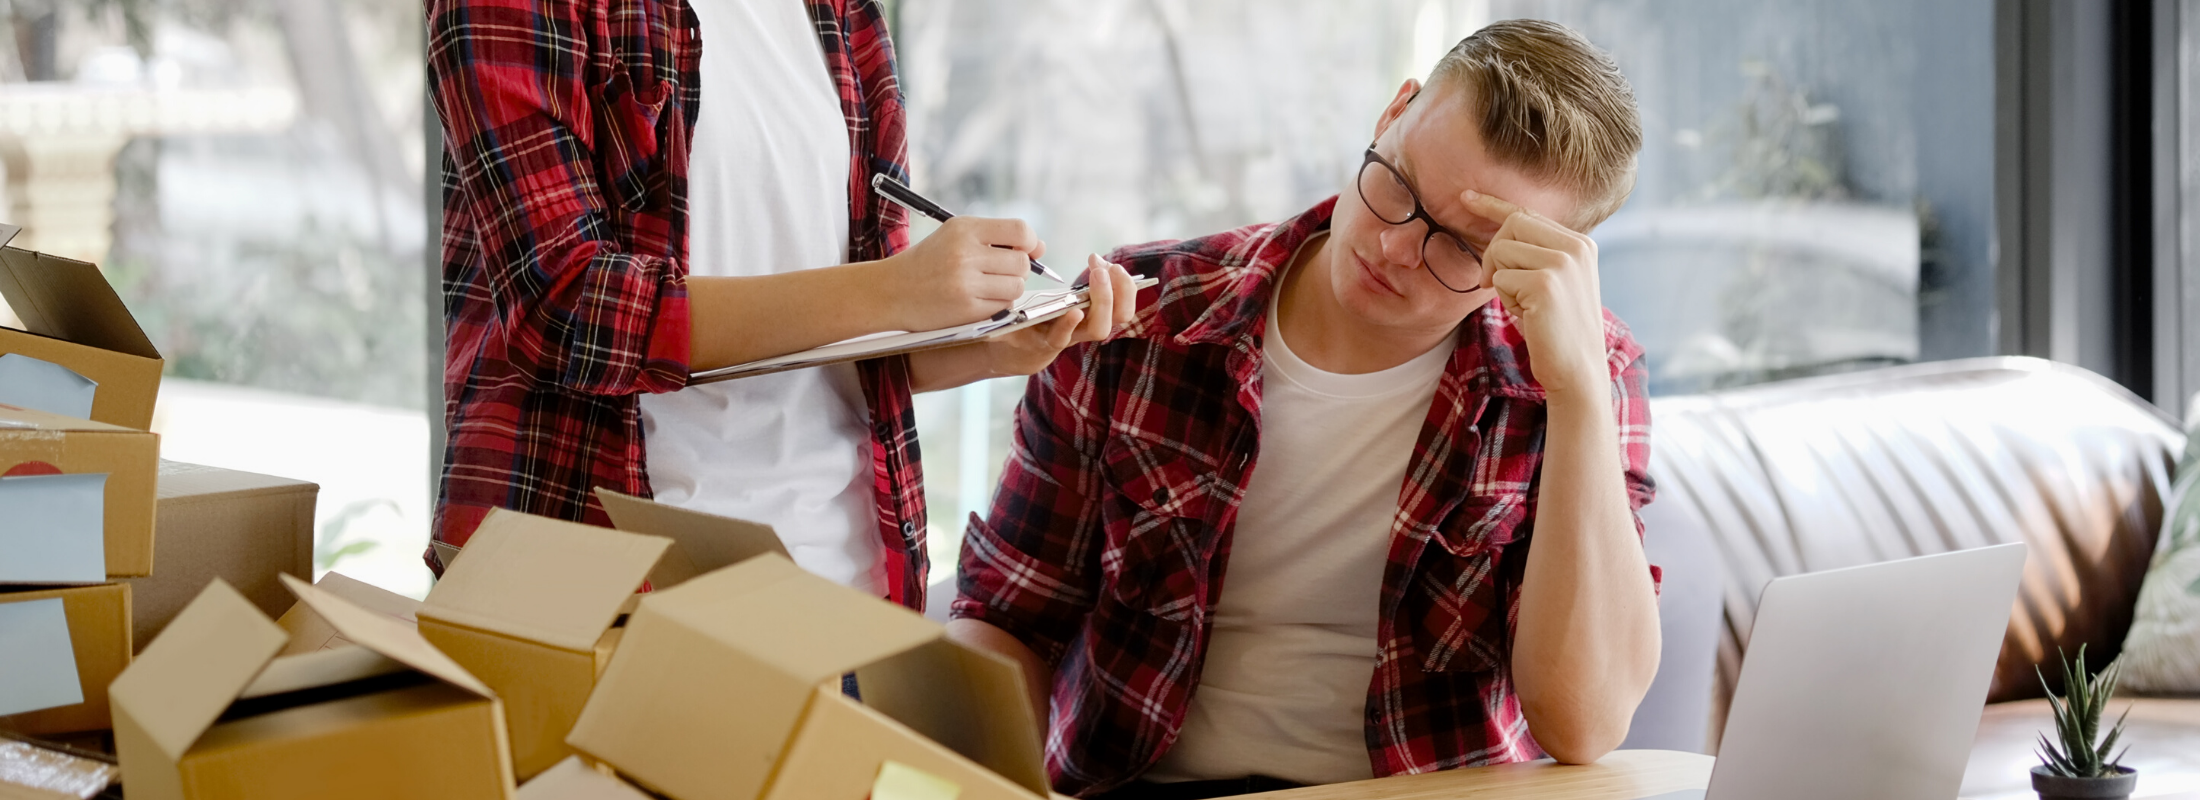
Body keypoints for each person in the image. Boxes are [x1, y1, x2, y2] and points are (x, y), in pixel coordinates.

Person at [949, 19, 1659, 798]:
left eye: (1464, 247)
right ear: (1393, 113)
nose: (1395, 248)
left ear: (1546, 263)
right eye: (1399, 185)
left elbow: (1584, 723)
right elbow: (1012, 616)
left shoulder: (1580, 372)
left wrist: (1580, 395)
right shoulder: (1143, 316)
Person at [425, 0, 1138, 610]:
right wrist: (896, 289)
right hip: (610, 592)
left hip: (846, 586)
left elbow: (838, 349)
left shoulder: (841, 13)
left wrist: (985, 346)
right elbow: (570, 305)